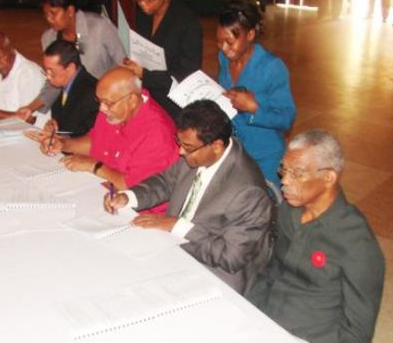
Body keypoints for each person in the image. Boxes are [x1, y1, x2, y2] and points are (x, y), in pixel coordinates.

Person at [248, 129, 385, 343]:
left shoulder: (356, 242)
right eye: (283, 170)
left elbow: (359, 330)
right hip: (265, 322)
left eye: (297, 173)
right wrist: (249, 312)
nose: (285, 181)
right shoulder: (288, 211)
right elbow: (270, 271)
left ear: (328, 177)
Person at [104, 100, 272, 293]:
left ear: (216, 145)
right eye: (179, 142)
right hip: (173, 249)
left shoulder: (248, 192)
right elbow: (165, 182)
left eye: (188, 147)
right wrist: (129, 197)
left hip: (214, 273)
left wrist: (177, 227)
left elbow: (230, 257)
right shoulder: (198, 153)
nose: (181, 151)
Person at [41, 67, 179, 211]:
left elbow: (136, 190)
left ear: (131, 99)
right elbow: (96, 141)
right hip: (100, 190)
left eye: (107, 102)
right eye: (99, 101)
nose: (101, 108)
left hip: (136, 211)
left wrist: (94, 166)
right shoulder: (114, 111)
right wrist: (64, 144)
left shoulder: (157, 133)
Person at [217, 0, 295, 184]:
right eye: (219, 42)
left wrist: (254, 108)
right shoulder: (224, 58)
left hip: (264, 156)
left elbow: (287, 118)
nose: (224, 49)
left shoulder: (272, 67)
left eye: (229, 42)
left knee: (261, 205)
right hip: (234, 151)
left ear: (250, 34)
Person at [18, 0, 125, 118]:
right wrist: (30, 108)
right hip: (75, 107)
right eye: (46, 15)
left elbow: (124, 63)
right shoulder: (49, 38)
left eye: (54, 14)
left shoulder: (98, 27)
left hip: (107, 103)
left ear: (70, 11)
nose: (49, 19)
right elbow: (54, 81)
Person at [123, 0, 203, 120]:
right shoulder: (142, 16)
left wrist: (145, 75)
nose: (143, 4)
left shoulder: (187, 22)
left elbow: (187, 75)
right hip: (145, 97)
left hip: (172, 104)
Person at [30, 39, 99, 137]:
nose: (48, 77)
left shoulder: (91, 93)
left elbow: (90, 137)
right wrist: (53, 127)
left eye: (52, 71)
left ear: (70, 68)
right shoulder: (63, 84)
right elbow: (62, 123)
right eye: (46, 71)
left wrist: (60, 139)